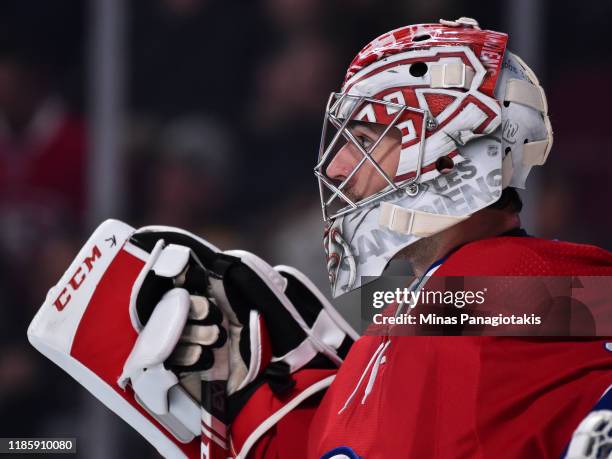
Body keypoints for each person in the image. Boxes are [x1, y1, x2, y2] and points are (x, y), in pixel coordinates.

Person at [28, 17, 612, 459]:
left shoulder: (502, 290)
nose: (336, 170)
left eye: (366, 137)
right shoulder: (417, 314)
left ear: (455, 150)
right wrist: (258, 407)